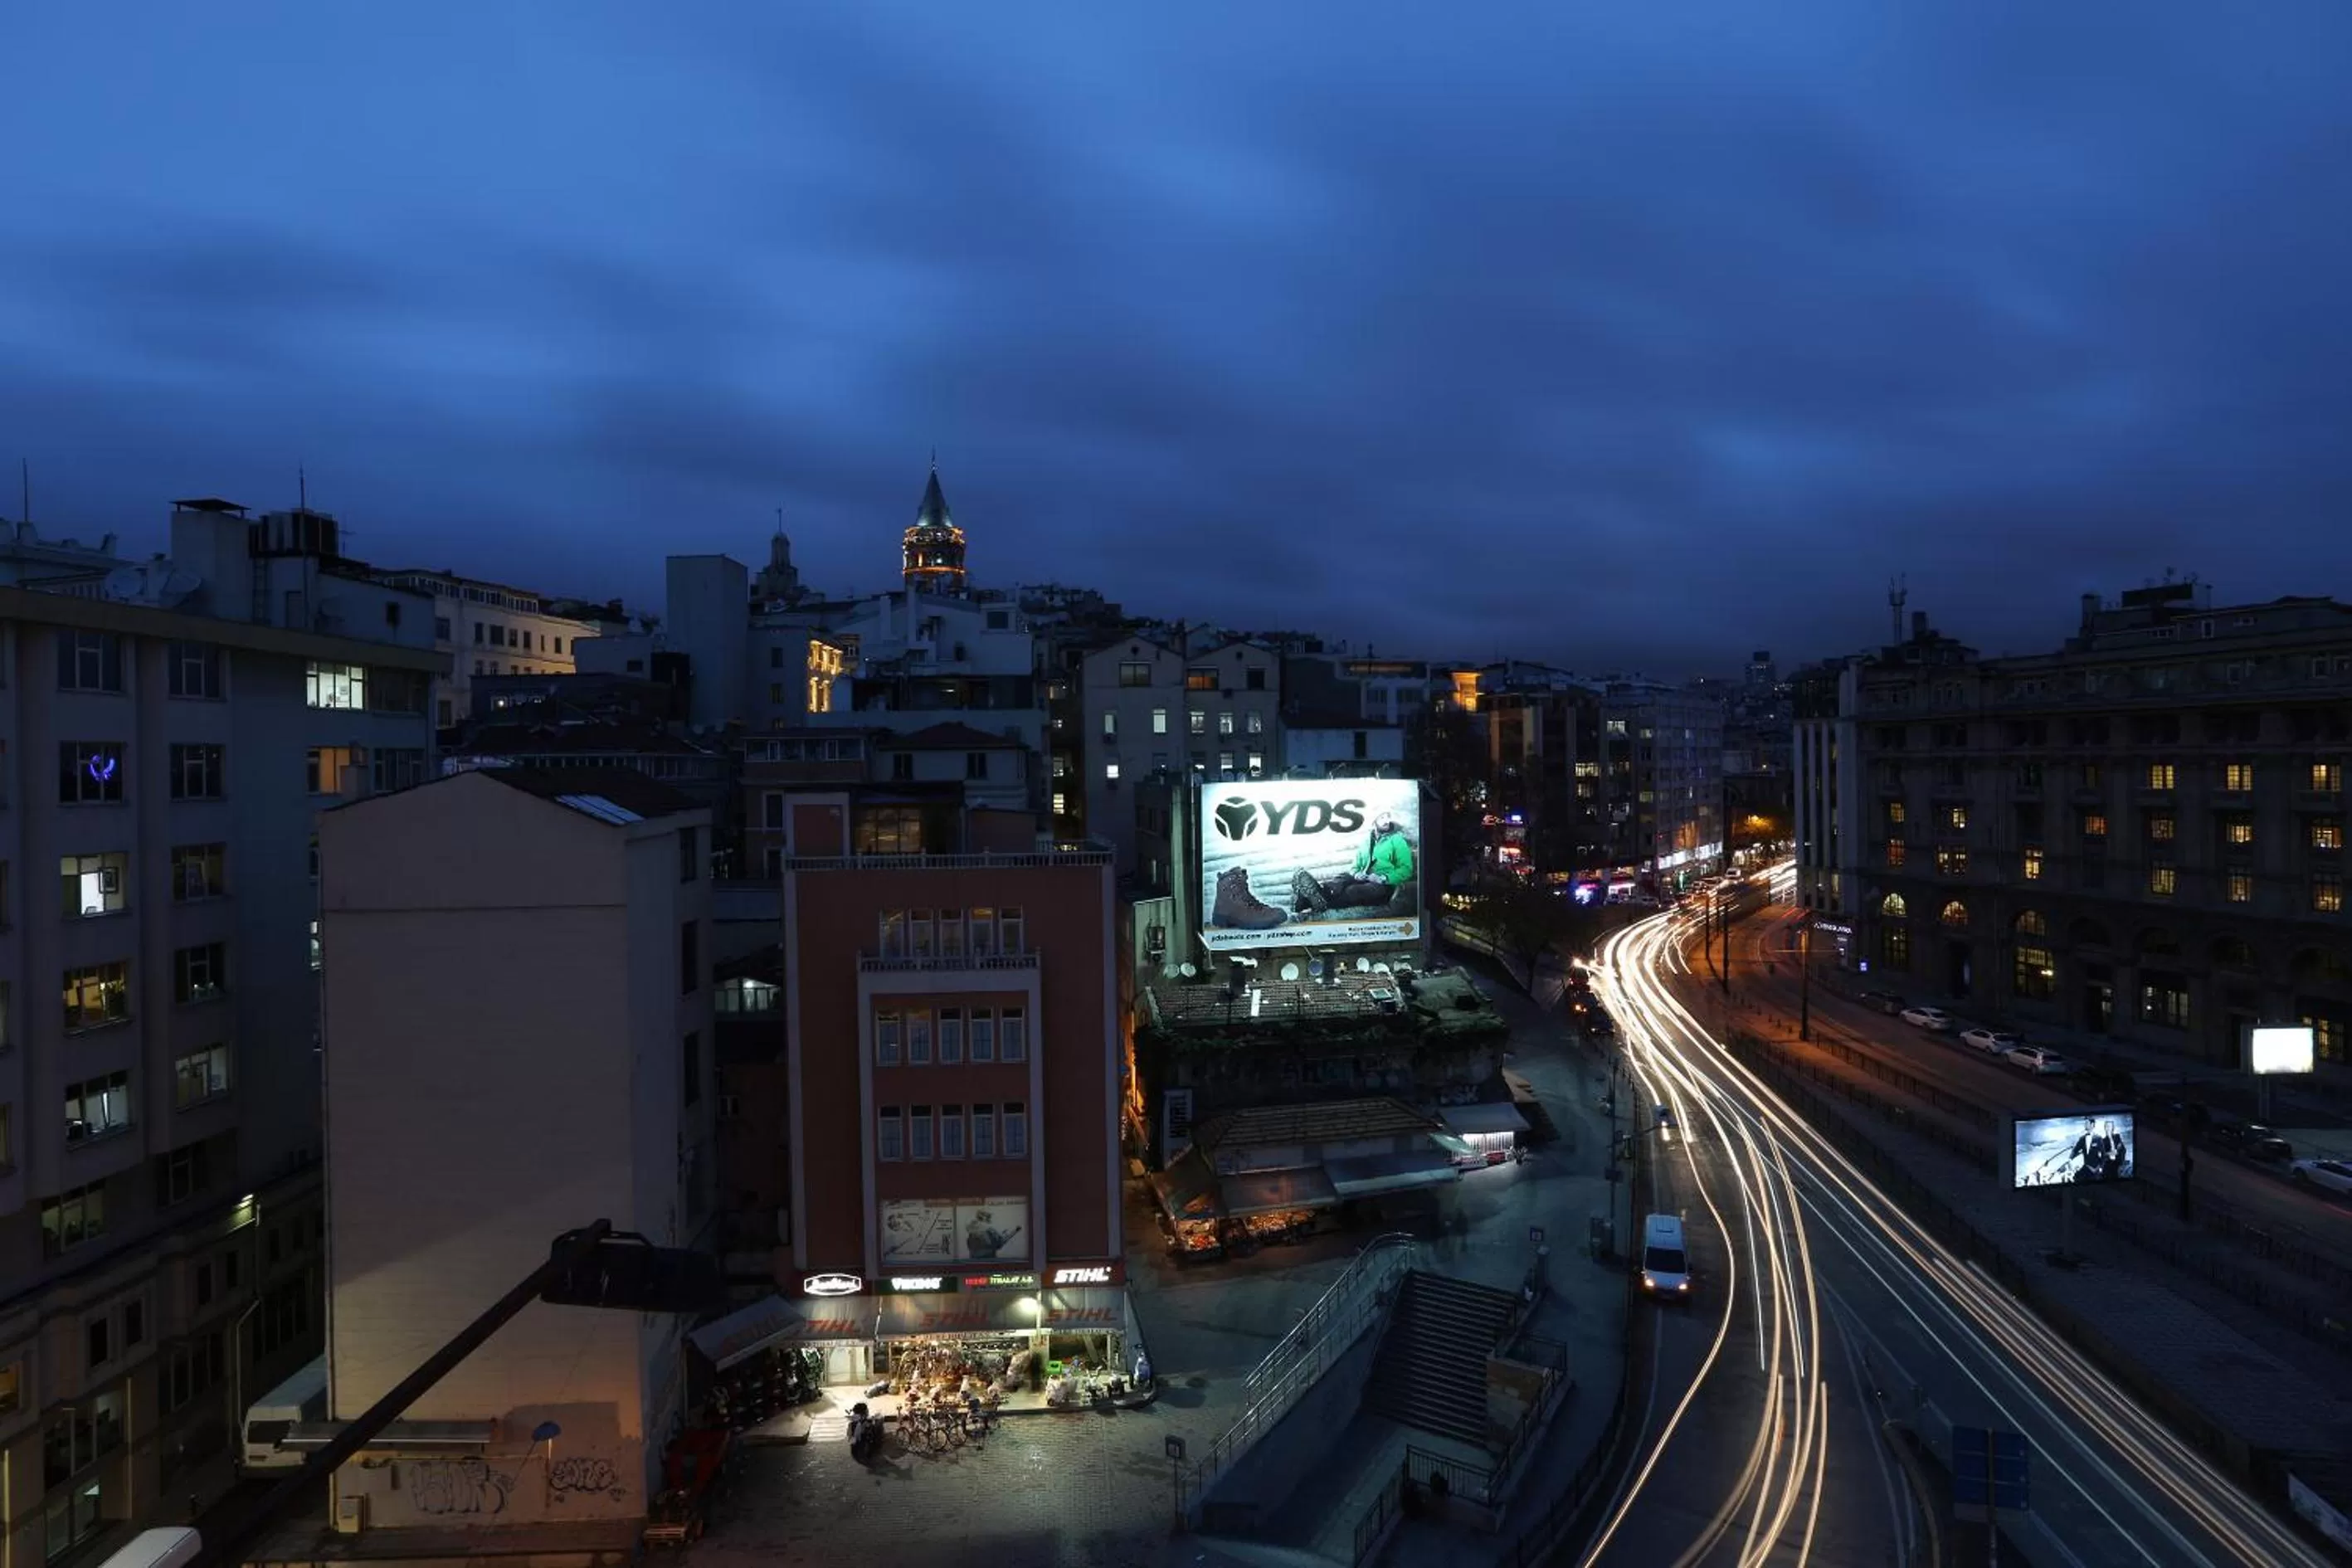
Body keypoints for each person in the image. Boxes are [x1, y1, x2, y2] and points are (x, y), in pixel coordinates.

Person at [1292, 811, 1417, 914]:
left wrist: (1383, 878)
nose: (1386, 821)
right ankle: (1314, 896)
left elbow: (1406, 870)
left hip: (1385, 886)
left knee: (1353, 890)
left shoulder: (1397, 841)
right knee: (1341, 879)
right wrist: (1357, 874)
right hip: (1364, 878)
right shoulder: (1366, 842)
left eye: (1388, 817)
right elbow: (1355, 867)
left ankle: (1314, 901)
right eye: (1382, 817)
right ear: (1374, 821)